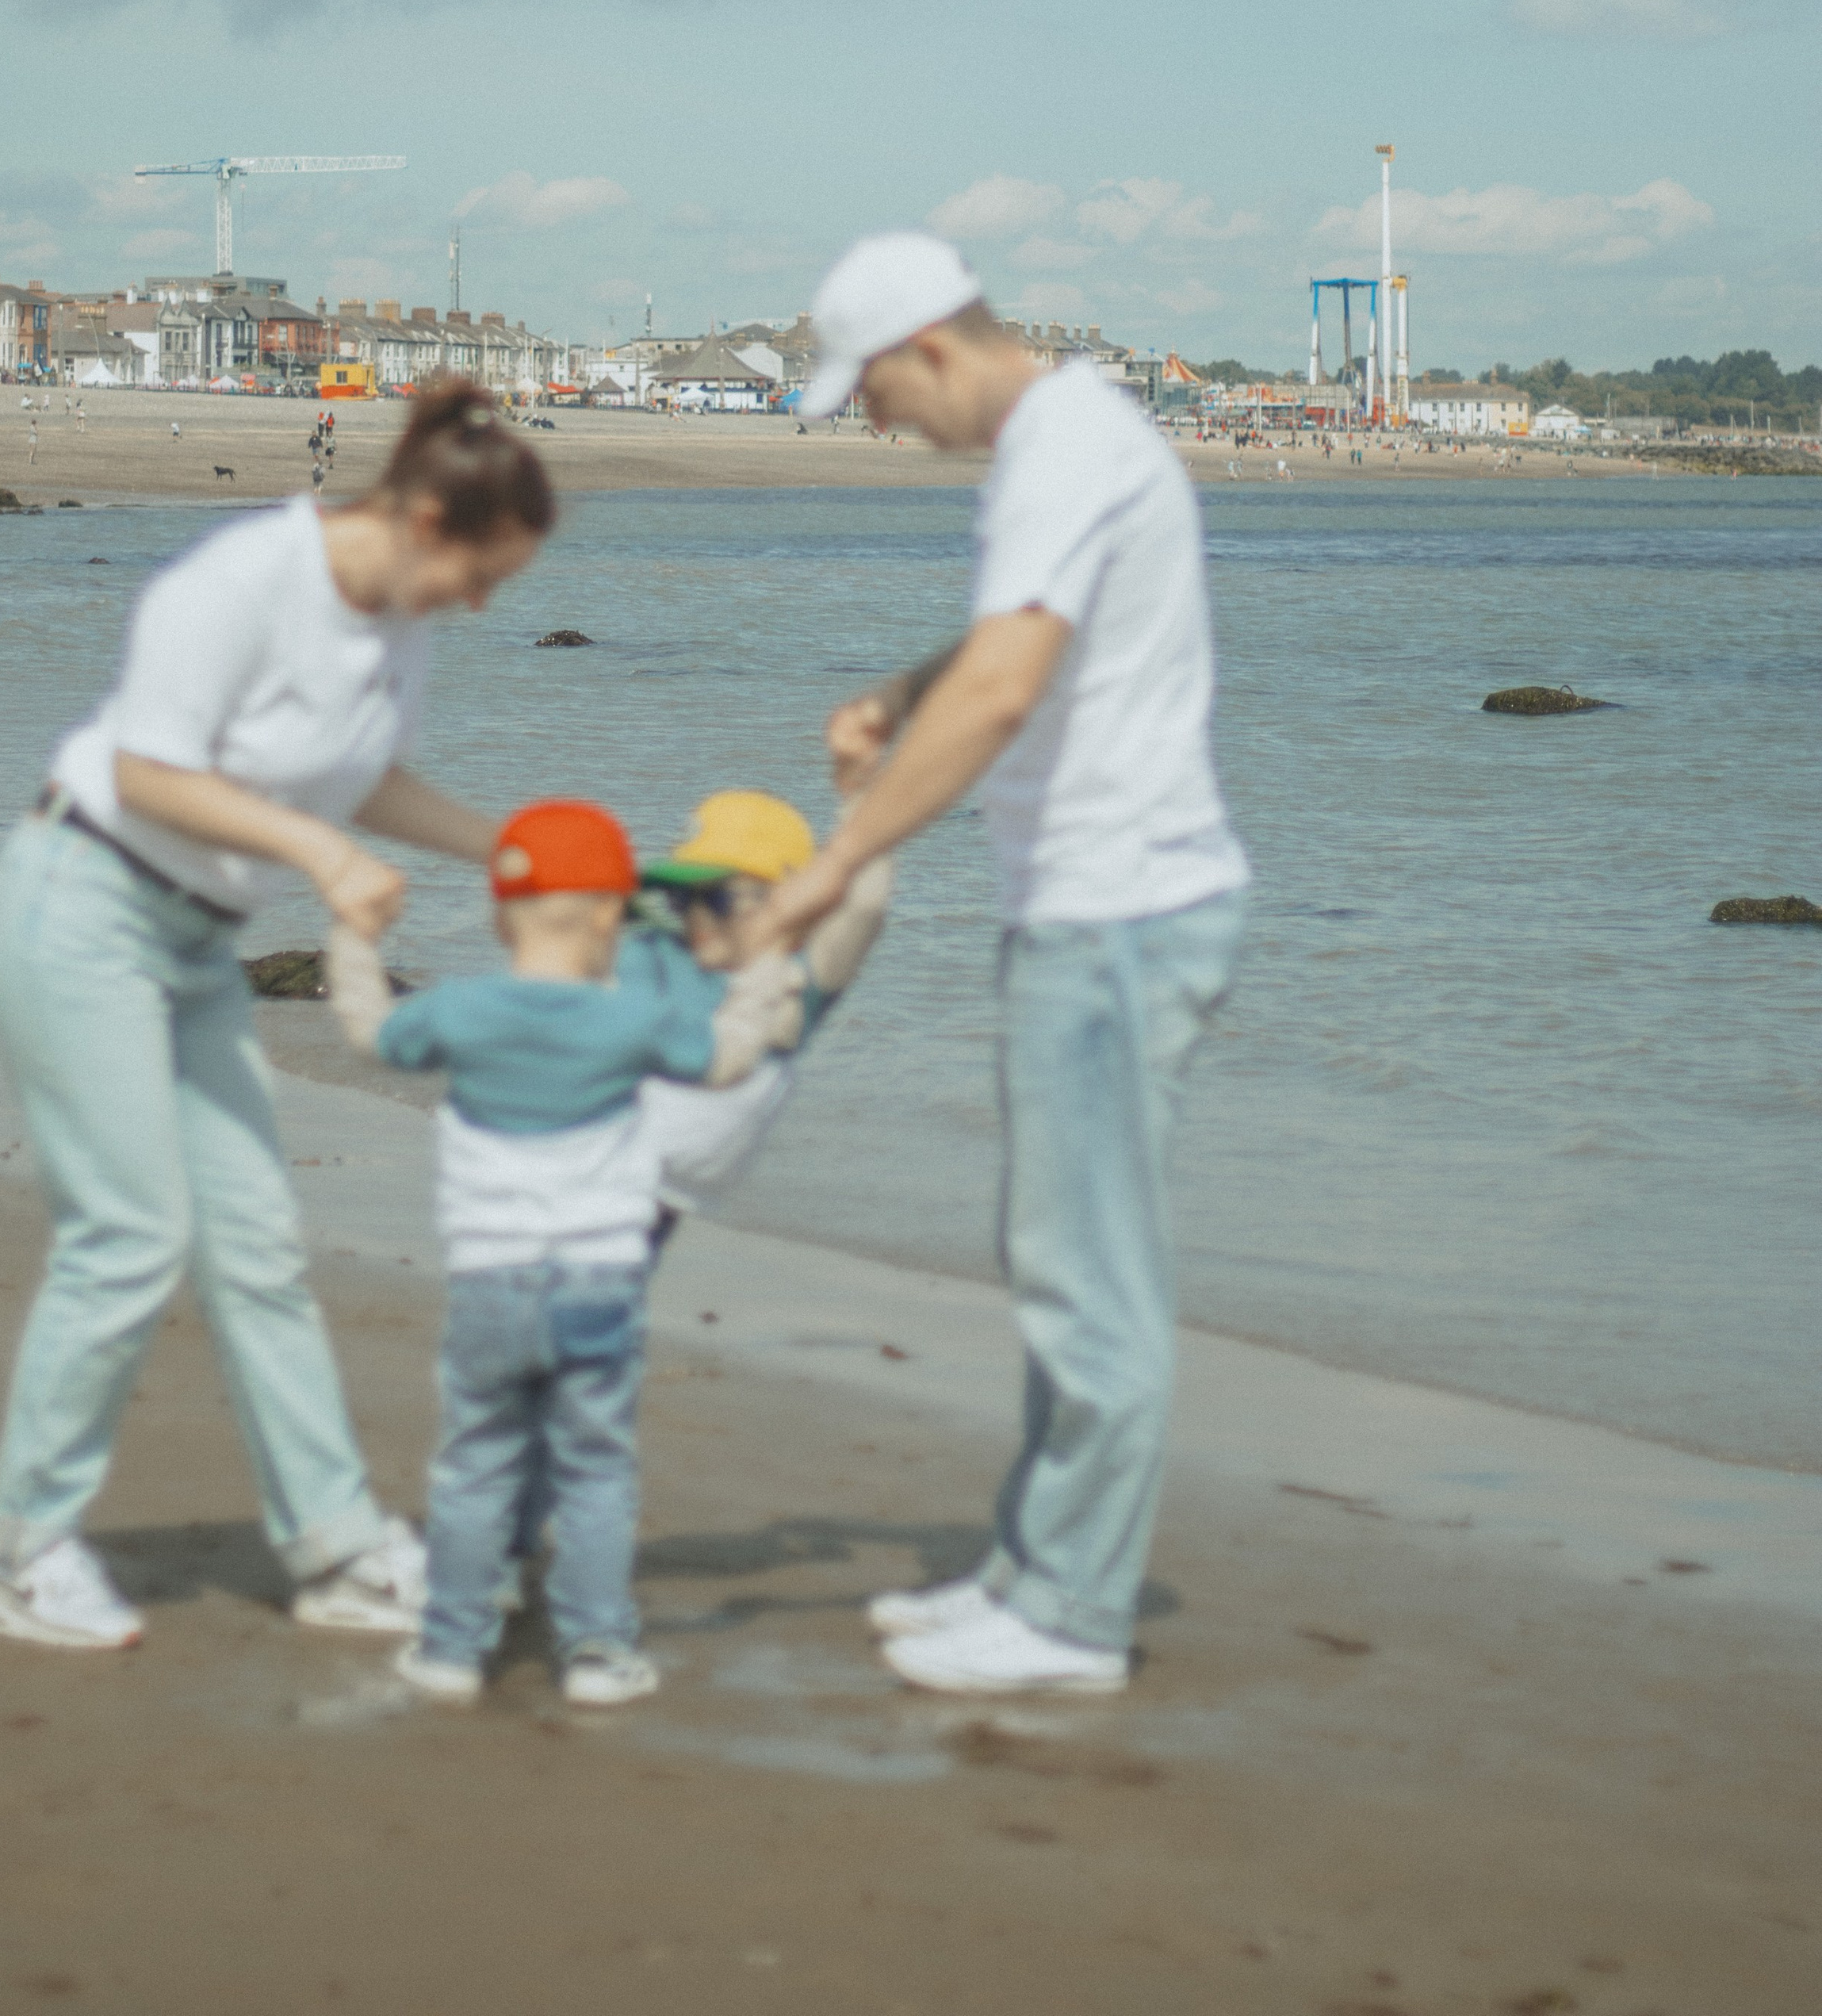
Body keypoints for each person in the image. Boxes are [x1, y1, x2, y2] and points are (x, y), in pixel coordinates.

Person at [0, 381, 553, 1652]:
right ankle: (18, 1553)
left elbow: (364, 776)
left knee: (258, 1244)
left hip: (194, 946)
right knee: (128, 1235)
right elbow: (147, 772)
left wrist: (505, 847)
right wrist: (319, 858)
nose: (484, 604)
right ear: (425, 520)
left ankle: (336, 1548)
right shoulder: (236, 581)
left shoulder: (400, 623)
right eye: (483, 573)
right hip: (81, 908)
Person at [752, 232, 1249, 1698]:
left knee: (1089, 1274)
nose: (879, 425)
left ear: (932, 349)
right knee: (1059, 1260)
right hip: (1098, 908)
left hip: (1121, 909)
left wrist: (838, 867)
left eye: (875, 395)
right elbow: (1008, 647)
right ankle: (1039, 1573)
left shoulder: (1060, 444)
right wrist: (903, 696)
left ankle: (1076, 1617)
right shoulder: (1070, 435)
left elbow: (1014, 680)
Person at [326, 803, 798, 1709]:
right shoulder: (634, 1020)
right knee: (595, 1473)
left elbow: (367, 1032)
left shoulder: (460, 1010)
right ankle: (597, 1655)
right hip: (599, 1286)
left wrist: (353, 935)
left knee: (472, 1466)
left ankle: (451, 1650)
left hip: (488, 1285)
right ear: (612, 919)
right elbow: (734, 1057)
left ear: (502, 917)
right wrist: (769, 955)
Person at [633, 787, 891, 1228]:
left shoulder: (792, 987)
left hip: (649, 1202)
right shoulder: (659, 957)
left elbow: (866, 903)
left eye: (717, 901)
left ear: (789, 901)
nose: (695, 918)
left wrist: (861, 781)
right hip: (581, 1174)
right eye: (681, 900)